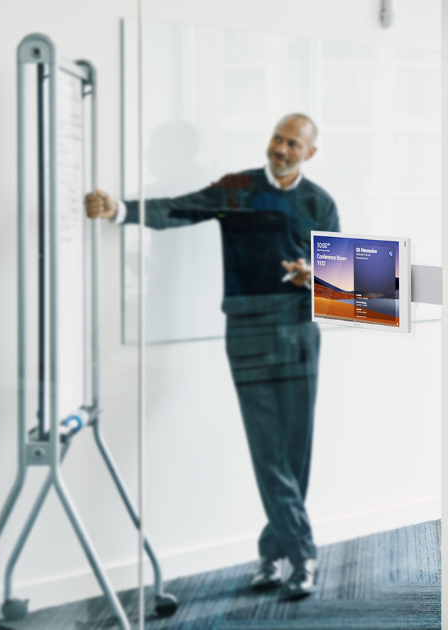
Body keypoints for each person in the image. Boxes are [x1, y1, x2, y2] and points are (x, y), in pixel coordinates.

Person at [83, 113, 336, 600]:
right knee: (268, 450)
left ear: (310, 153)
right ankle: (302, 553)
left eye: (292, 143)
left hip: (301, 332)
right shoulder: (236, 187)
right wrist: (119, 209)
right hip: (247, 330)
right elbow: (176, 208)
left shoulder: (320, 202)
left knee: (295, 450)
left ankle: (271, 549)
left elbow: (336, 272)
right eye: (277, 138)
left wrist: (314, 275)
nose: (281, 148)